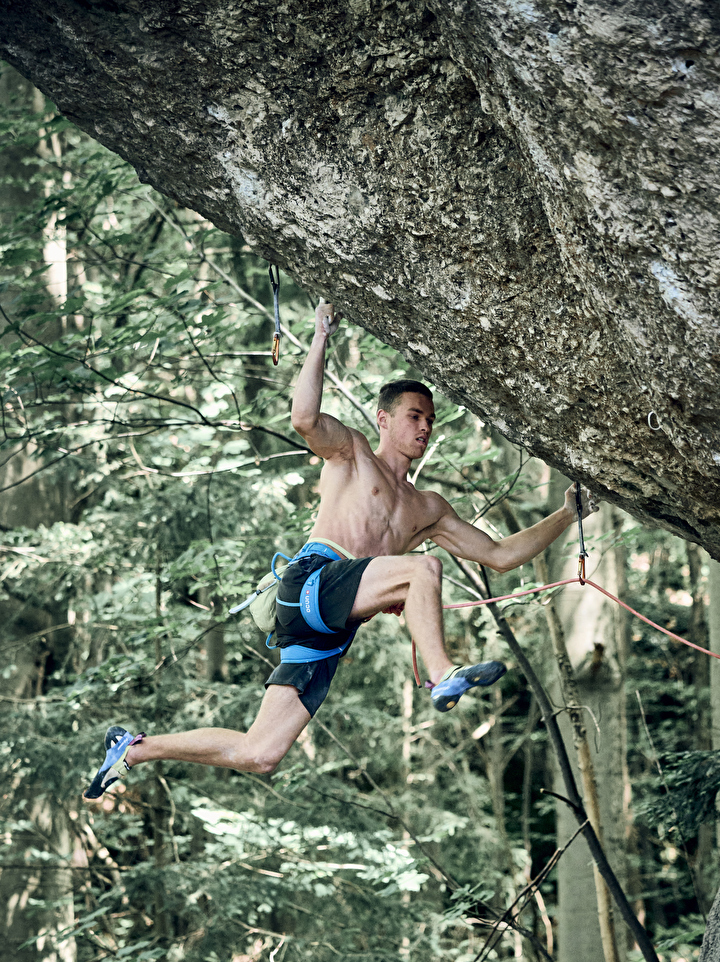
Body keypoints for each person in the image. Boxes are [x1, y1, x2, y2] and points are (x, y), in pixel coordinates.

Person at [84, 300, 596, 801]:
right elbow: (304, 419)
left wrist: (568, 511)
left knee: (261, 752)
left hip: (331, 628)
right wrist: (321, 334)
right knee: (423, 569)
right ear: (383, 419)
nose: (424, 428)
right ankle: (442, 675)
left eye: (430, 421)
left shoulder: (428, 508)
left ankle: (132, 750)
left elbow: (502, 555)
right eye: (414, 416)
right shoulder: (352, 454)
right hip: (309, 582)